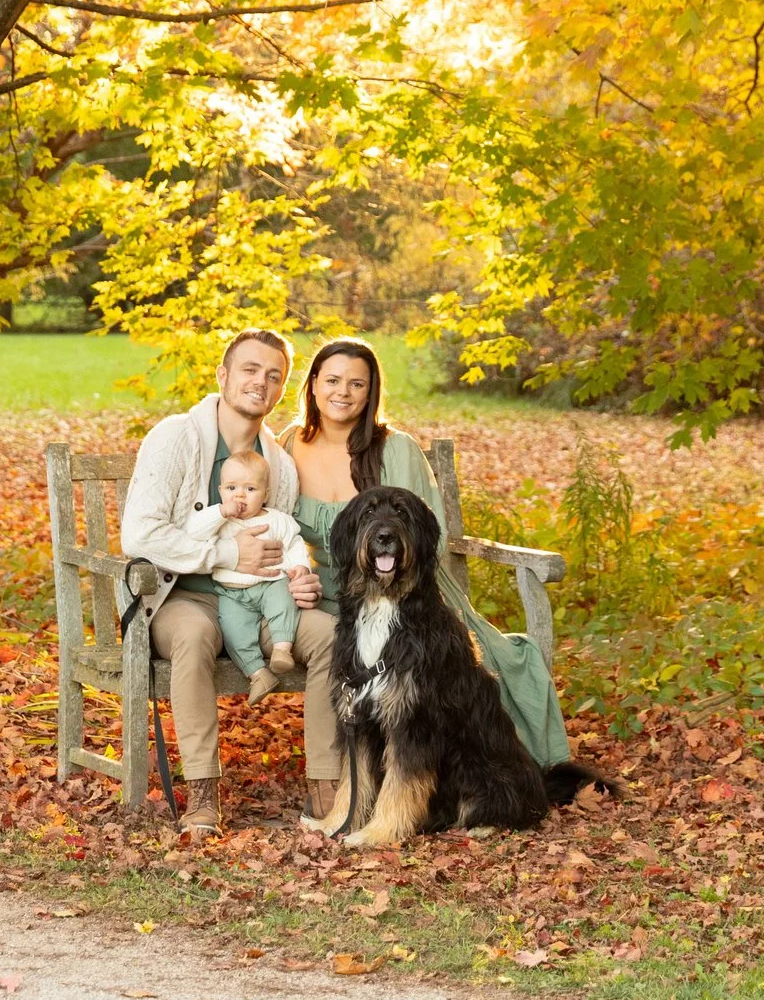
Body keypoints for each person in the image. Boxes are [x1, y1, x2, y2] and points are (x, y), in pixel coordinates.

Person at [286, 337, 574, 789]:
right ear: (314, 385)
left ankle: (495, 777)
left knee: (459, 666)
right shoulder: (287, 446)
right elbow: (269, 528)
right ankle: (345, 782)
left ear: (370, 392)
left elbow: (425, 535)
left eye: (357, 383)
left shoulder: (395, 449)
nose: (343, 392)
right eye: (333, 380)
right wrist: (291, 573)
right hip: (325, 594)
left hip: (406, 588)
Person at [117, 329, 341, 834]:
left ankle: (325, 786)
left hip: (257, 600)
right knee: (195, 636)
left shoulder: (278, 466)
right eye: (249, 369)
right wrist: (221, 551)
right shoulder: (175, 438)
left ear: (281, 389)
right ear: (222, 375)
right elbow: (140, 534)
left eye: (273, 375)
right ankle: (202, 793)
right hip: (177, 598)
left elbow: (281, 541)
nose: (260, 382)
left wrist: (299, 577)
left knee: (329, 635)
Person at [184, 449, 312, 700]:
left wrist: (300, 566)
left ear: (266, 494)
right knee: (234, 630)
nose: (239, 495)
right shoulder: (219, 522)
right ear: (220, 491)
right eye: (231, 488)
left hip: (271, 583)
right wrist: (220, 511)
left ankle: (282, 649)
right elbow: (193, 533)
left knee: (283, 604)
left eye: (250, 489)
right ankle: (257, 673)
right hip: (231, 593)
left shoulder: (277, 520)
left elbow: (294, 543)